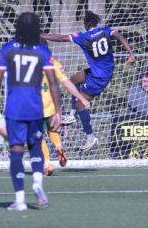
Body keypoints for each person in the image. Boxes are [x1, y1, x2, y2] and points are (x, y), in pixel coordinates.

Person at [0, 12, 61, 211]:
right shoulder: (42, 51)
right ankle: (37, 182)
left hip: (14, 108)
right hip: (35, 108)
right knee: (35, 147)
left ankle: (20, 200)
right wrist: (58, 111)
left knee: (16, 151)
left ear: (17, 27)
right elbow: (53, 83)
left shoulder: (7, 49)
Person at [41, 11, 135, 151]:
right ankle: (72, 115)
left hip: (99, 78)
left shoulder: (83, 37)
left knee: (81, 105)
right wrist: (131, 53)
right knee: (71, 82)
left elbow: (60, 38)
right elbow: (118, 35)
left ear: (86, 24)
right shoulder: (106, 30)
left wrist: (40, 35)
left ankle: (90, 136)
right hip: (101, 71)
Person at [41, 57, 90, 176]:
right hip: (53, 106)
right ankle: (59, 147)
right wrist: (82, 98)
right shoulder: (54, 63)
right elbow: (67, 83)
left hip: (35, 107)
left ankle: (47, 164)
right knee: (52, 131)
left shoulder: (27, 61)